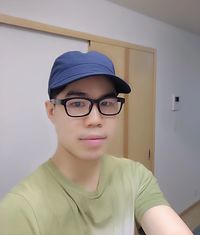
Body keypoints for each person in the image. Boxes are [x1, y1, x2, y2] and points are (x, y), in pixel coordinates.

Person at [0, 51, 192, 235]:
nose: (95, 119)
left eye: (107, 103)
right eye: (77, 103)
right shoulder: (21, 209)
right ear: (51, 111)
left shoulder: (134, 176)